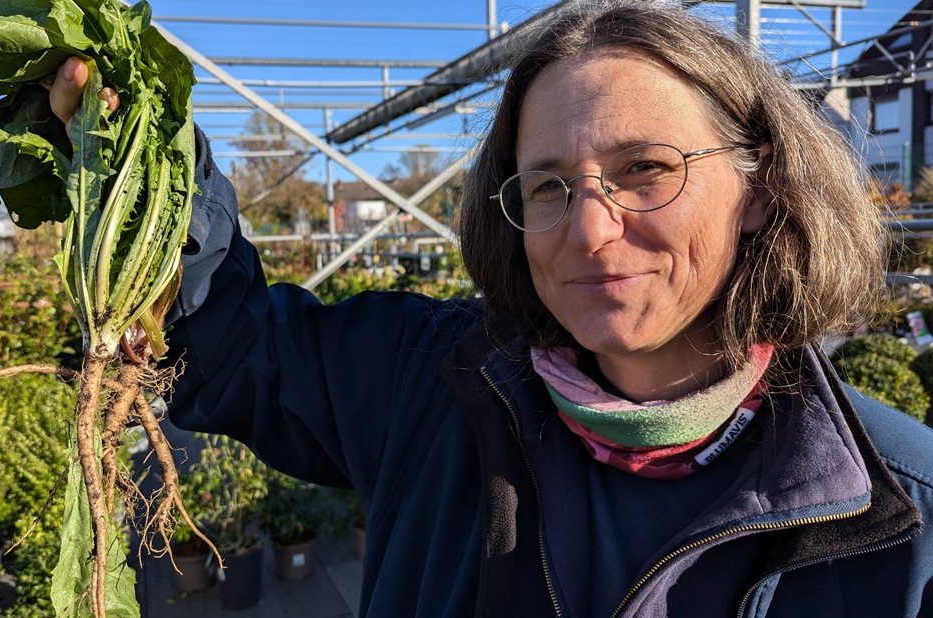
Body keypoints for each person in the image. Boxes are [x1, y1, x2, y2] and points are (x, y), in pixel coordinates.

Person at [46, 1, 933, 615]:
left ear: (763, 188)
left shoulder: (902, 510)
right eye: (547, 186)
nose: (589, 230)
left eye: (646, 170)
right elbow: (234, 348)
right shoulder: (427, 382)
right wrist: (136, 155)